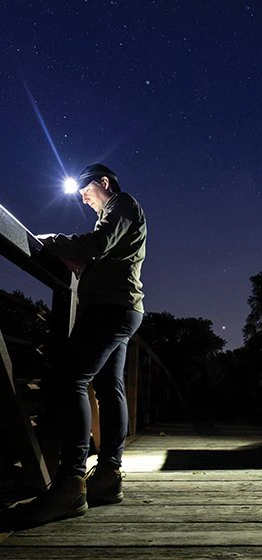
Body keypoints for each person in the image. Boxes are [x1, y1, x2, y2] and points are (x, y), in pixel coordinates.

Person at [11, 163, 147, 525]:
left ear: (104, 182)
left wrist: (52, 241)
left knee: (68, 380)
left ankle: (71, 483)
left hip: (110, 310)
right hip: (121, 308)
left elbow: (97, 244)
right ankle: (107, 476)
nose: (83, 199)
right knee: (108, 386)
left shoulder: (122, 205)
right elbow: (101, 253)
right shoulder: (118, 212)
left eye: (86, 191)